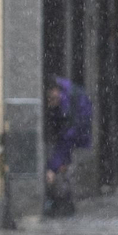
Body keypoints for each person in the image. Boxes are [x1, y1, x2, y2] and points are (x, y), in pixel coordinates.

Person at [44, 75, 93, 216]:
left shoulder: (68, 103)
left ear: (56, 90)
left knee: (66, 172)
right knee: (66, 171)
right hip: (75, 139)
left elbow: (68, 136)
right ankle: (66, 205)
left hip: (76, 141)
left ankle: (65, 205)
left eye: (51, 98)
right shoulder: (68, 96)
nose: (50, 103)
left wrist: (53, 168)